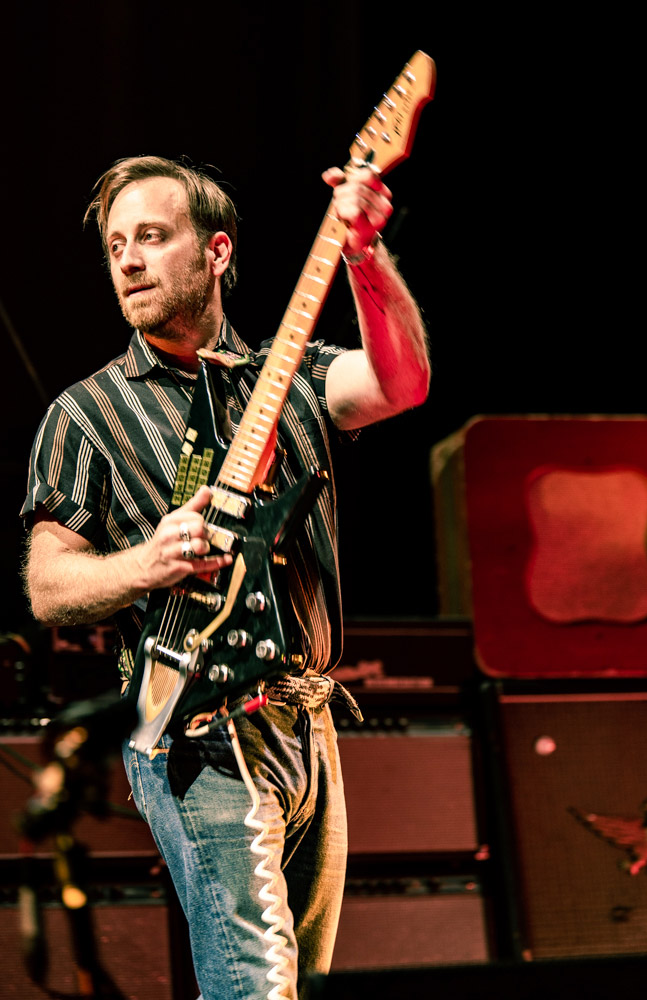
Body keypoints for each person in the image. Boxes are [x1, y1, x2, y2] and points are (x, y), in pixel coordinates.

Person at [21, 154, 430, 999]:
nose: (129, 260)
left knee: (298, 984)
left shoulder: (295, 374)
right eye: (115, 246)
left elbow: (402, 382)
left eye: (152, 237)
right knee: (254, 987)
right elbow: (48, 587)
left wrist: (361, 251)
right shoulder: (85, 414)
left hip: (309, 717)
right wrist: (149, 561)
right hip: (193, 725)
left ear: (216, 250)